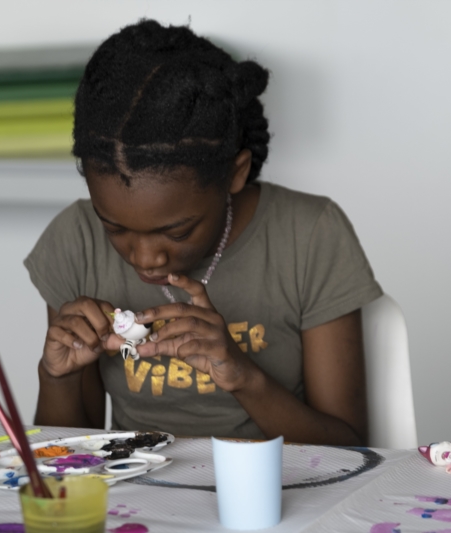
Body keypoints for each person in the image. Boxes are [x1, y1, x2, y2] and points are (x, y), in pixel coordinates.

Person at [24, 19, 383, 446]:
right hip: (139, 498)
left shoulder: (309, 235)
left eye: (176, 231)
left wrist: (243, 375)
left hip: (282, 496)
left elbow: (349, 450)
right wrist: (57, 375)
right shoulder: (76, 240)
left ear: (236, 174)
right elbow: (64, 456)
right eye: (115, 227)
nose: (144, 258)